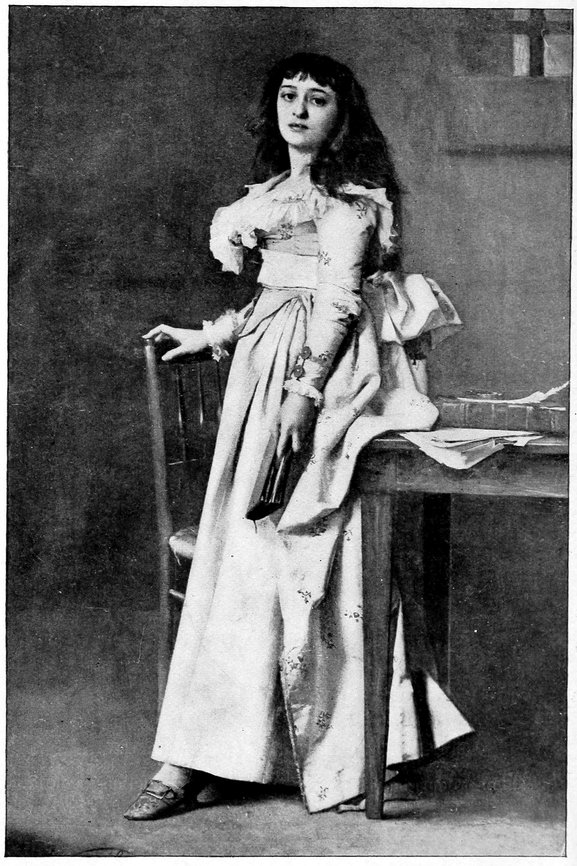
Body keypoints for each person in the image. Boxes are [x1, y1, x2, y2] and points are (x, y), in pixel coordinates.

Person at [125, 52, 471, 821]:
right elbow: (271, 297)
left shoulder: (348, 202)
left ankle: (346, 751)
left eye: (317, 99)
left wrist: (302, 396)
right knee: (243, 552)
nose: (299, 109)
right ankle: (216, 754)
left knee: (296, 552)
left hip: (319, 382)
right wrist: (210, 335)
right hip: (261, 376)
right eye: (288, 95)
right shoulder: (273, 196)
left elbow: (337, 303)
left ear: (342, 118)